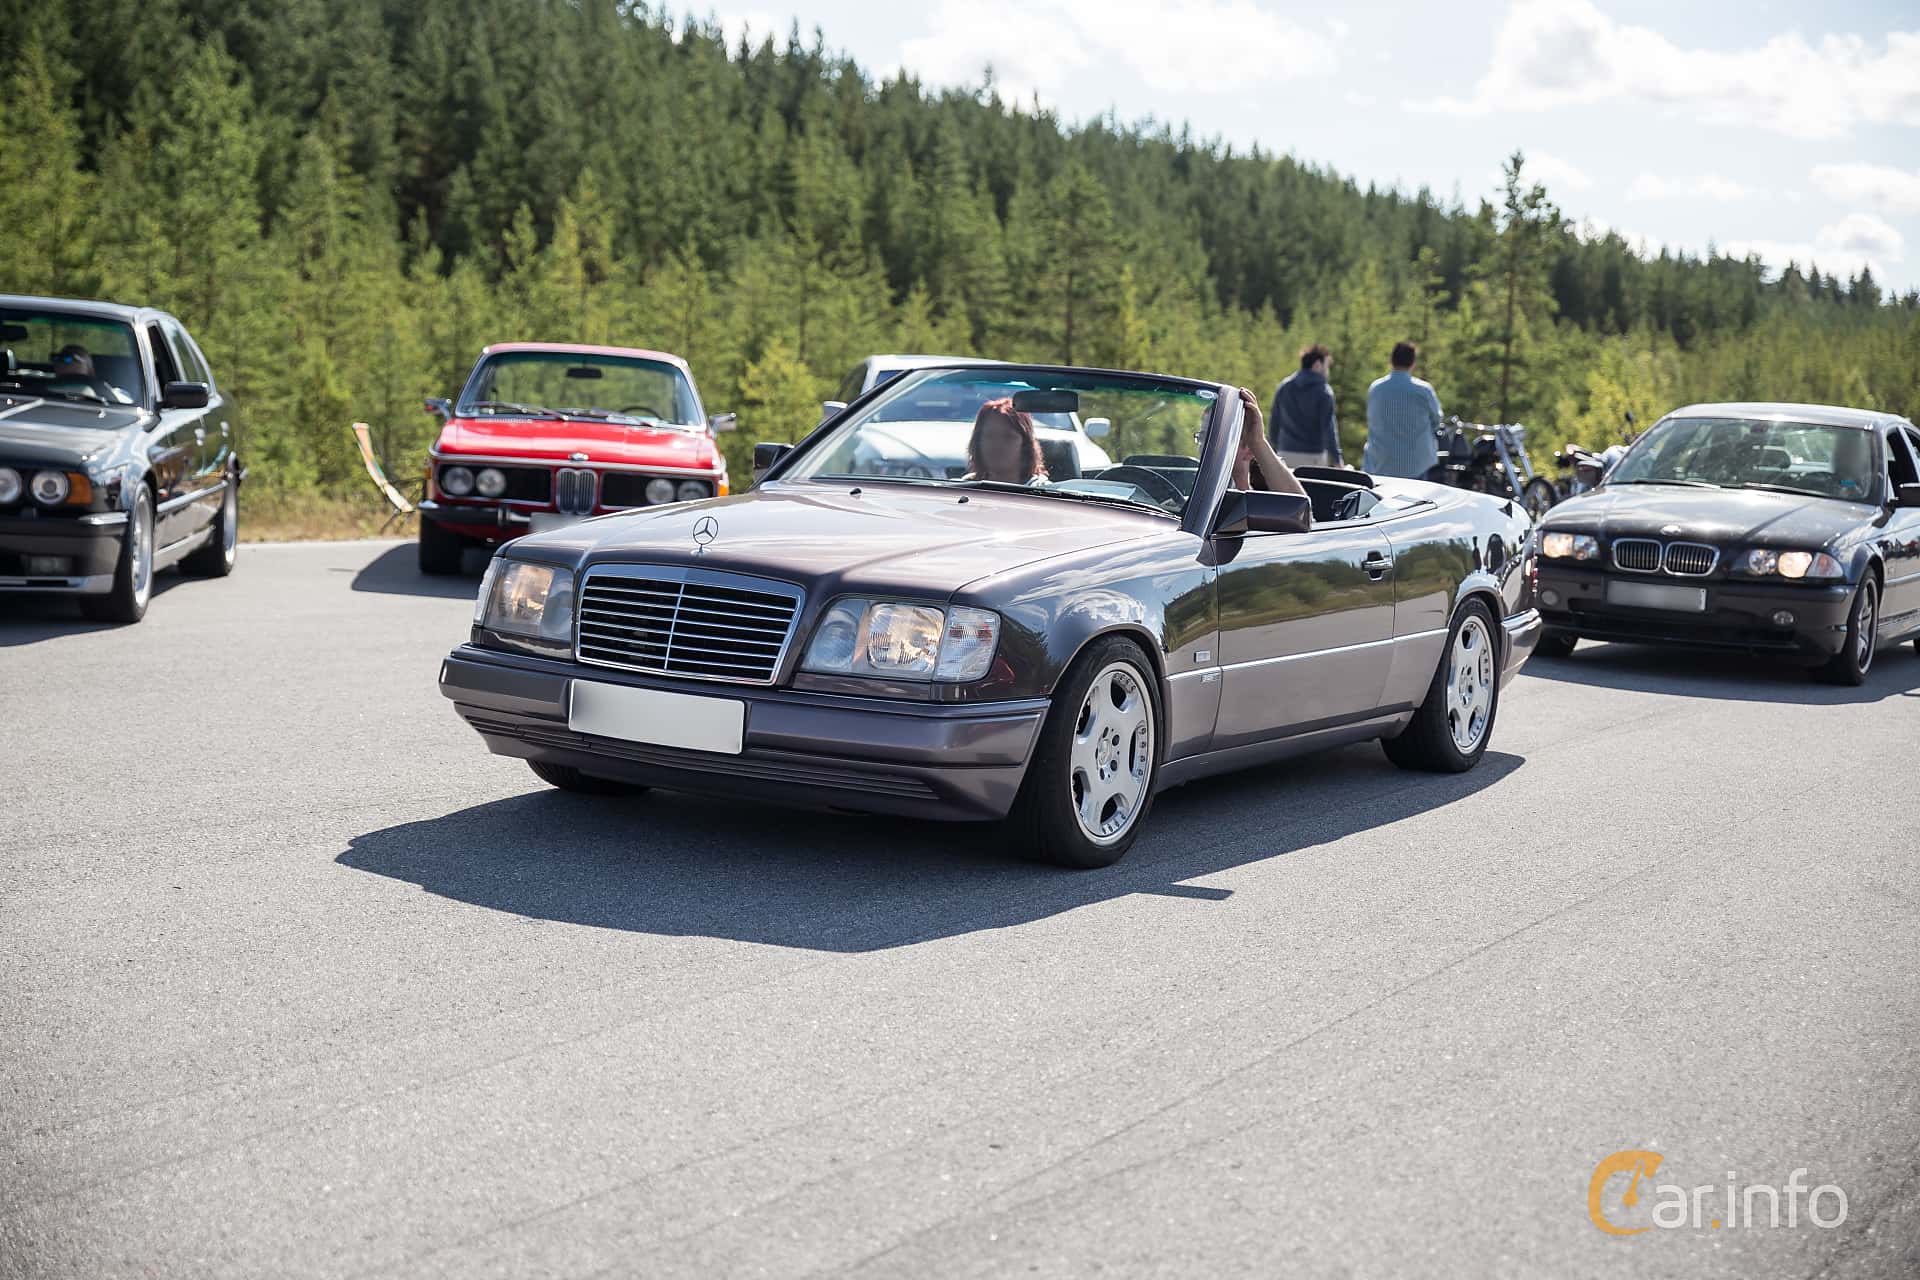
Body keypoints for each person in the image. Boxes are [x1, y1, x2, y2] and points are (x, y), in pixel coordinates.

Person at [1363, 341, 1444, 479]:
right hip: (1416, 463)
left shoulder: (1376, 389)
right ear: (1413, 363)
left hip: (1381, 463)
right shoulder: (1423, 390)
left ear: (1391, 361)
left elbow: (1371, 420)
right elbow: (1437, 420)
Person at [1233, 387, 1311, 524]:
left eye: (1216, 437)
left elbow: (1301, 514)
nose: (1205, 446)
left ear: (1249, 451)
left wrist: (1258, 442)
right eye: (1203, 436)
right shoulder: (1198, 488)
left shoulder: (1264, 501)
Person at [1269, 343, 1343, 469]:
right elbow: (1329, 429)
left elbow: (1274, 423)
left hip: (1285, 454)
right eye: (1326, 366)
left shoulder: (1284, 386)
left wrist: (1274, 450)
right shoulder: (1324, 391)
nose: (1327, 371)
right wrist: (1337, 460)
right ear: (1317, 365)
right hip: (1314, 456)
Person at [964, 396, 1049, 485]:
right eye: (990, 436)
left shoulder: (1043, 491)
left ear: (1025, 444)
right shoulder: (964, 488)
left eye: (1008, 437)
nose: (997, 444)